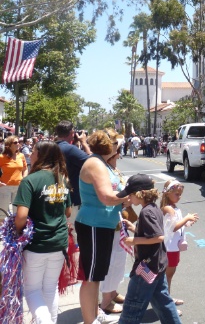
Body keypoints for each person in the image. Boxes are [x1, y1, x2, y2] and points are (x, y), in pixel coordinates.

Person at [13, 141, 71, 324]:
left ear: (41, 155)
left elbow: (21, 216)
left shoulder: (30, 180)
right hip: (59, 242)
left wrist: (17, 232)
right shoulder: (62, 179)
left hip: (36, 244)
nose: (30, 155)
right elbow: (68, 212)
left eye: (33, 152)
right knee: (50, 287)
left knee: (32, 290)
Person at [75, 129, 129, 324]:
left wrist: (124, 198)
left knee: (96, 276)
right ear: (109, 145)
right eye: (116, 144)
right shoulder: (96, 164)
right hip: (93, 225)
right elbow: (106, 197)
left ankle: (94, 314)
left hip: (102, 225)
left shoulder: (101, 162)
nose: (118, 148)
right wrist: (128, 193)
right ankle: (89, 320)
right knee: (91, 278)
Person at [119, 174, 182, 323]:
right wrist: (135, 229)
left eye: (130, 195)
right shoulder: (154, 208)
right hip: (157, 265)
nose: (129, 198)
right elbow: (151, 232)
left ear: (140, 194)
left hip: (146, 267)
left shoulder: (146, 212)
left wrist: (133, 240)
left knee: (132, 306)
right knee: (163, 303)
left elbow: (158, 236)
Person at [99, 136, 129, 316]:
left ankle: (112, 291)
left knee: (119, 258)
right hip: (109, 219)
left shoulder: (112, 168)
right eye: (116, 149)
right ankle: (105, 300)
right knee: (111, 260)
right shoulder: (103, 169)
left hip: (118, 218)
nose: (118, 152)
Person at [160, 179, 198, 306]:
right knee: (167, 275)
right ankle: (165, 302)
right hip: (169, 247)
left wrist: (187, 222)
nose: (179, 196)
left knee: (169, 274)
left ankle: (167, 298)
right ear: (168, 193)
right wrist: (186, 218)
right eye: (177, 194)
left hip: (173, 246)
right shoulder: (168, 208)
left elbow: (177, 225)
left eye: (180, 194)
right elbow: (173, 227)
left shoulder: (174, 208)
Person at [55, 121, 91, 211]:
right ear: (71, 132)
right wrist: (84, 142)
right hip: (70, 195)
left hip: (54, 191)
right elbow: (92, 163)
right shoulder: (70, 149)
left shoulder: (51, 147)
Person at [0, 135, 28, 213]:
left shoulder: (21, 156)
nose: (18, 144)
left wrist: (24, 179)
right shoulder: (2, 157)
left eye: (19, 142)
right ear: (9, 145)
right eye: (15, 142)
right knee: (2, 213)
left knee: (17, 212)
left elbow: (25, 169)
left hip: (19, 187)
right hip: (5, 187)